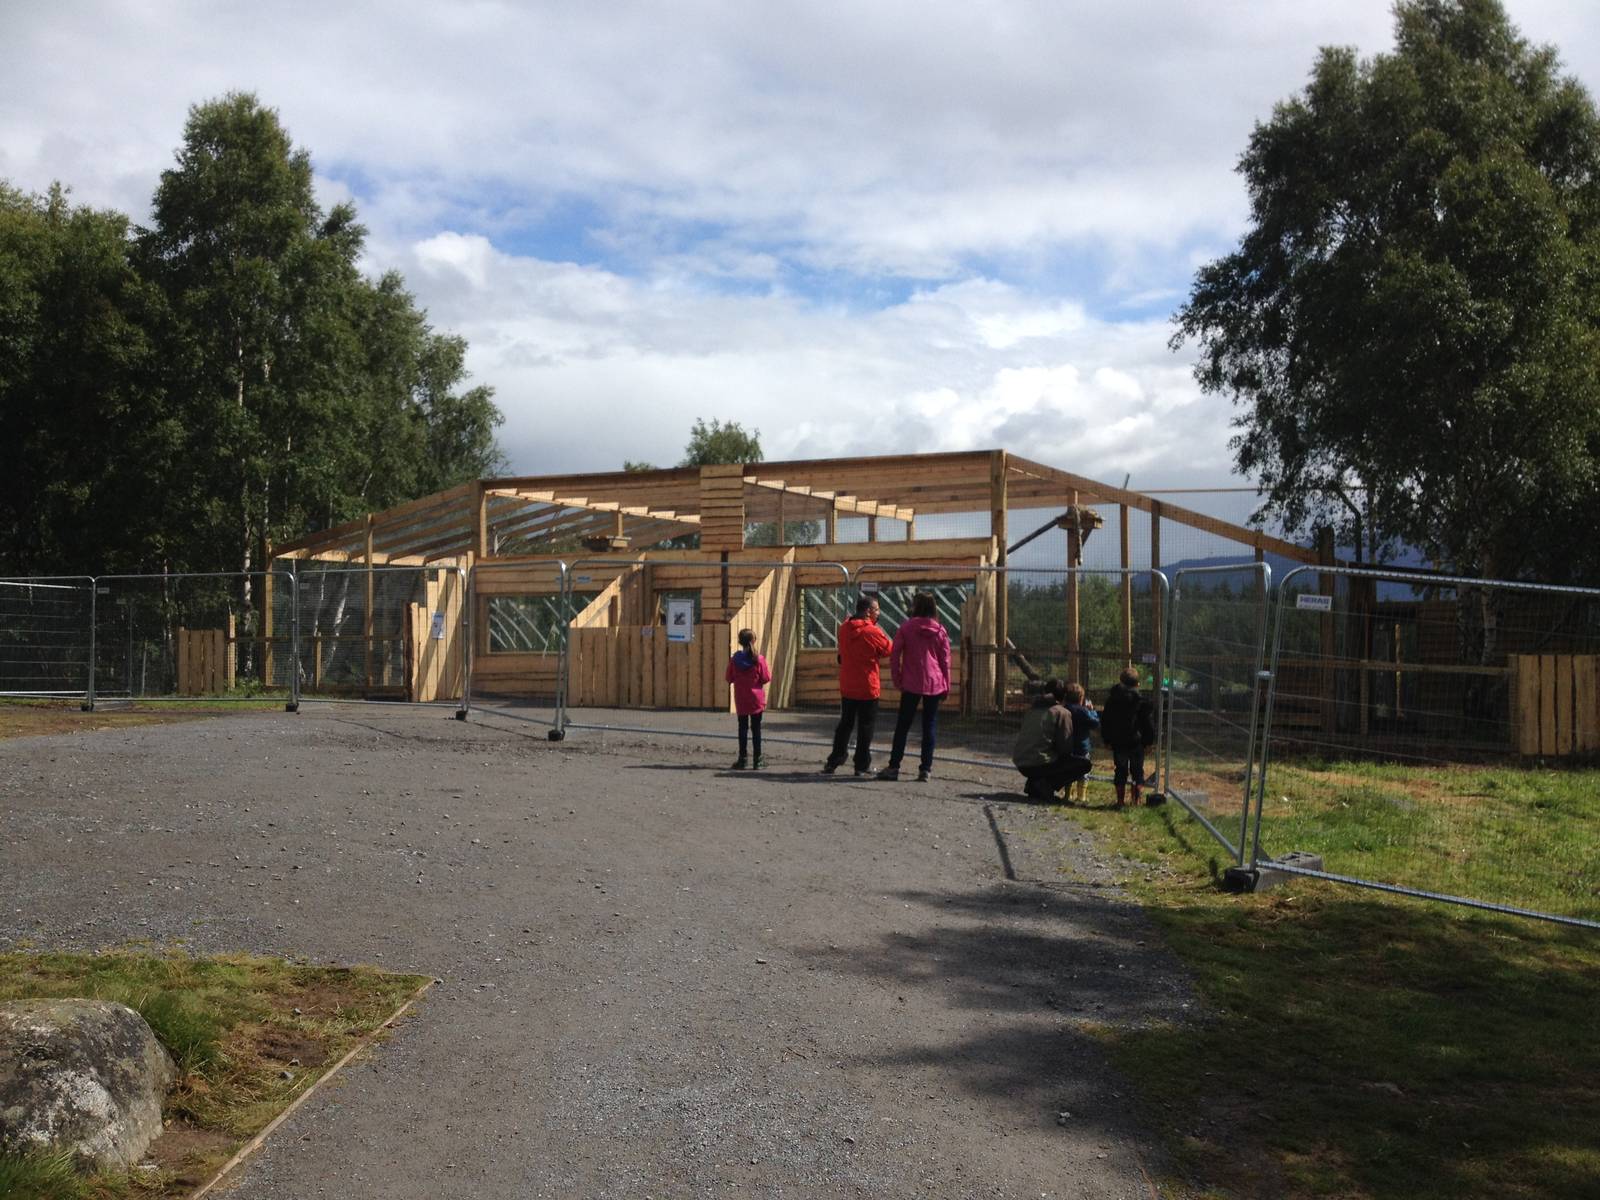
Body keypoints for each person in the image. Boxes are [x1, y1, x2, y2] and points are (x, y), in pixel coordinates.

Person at [878, 592, 951, 782]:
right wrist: (946, 685)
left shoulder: (906, 628)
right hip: (934, 683)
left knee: (903, 726)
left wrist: (897, 678)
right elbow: (945, 661)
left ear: (915, 606)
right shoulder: (940, 630)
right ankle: (925, 769)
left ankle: (894, 767)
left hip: (911, 682)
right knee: (929, 726)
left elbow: (895, 655)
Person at [823, 594, 893, 775]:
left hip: (848, 685)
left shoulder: (845, 627)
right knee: (865, 727)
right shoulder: (873, 632)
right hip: (867, 687)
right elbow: (887, 649)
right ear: (869, 612)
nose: (879, 613)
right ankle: (861, 765)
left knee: (845, 723)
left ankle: (835, 758)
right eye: (876, 609)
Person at [1011, 678, 1092, 801]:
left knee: (1045, 757)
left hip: (1020, 761)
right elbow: (1065, 747)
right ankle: (1045, 785)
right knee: (1084, 764)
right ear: (1064, 695)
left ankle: (1034, 782)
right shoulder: (1061, 712)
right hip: (1040, 763)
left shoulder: (1033, 709)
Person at [1101, 667, 1156, 805]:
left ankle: (1120, 801)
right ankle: (1136, 800)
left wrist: (1107, 739)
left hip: (1118, 742)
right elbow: (1148, 723)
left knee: (1120, 770)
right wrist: (1149, 742)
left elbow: (1106, 720)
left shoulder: (1112, 700)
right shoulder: (1142, 702)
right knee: (1137, 771)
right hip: (1136, 742)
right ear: (1138, 684)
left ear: (1120, 682)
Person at [725, 628, 772, 770]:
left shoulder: (735, 659)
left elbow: (729, 678)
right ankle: (758, 760)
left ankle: (742, 759)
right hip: (756, 699)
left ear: (739, 642)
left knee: (742, 728)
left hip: (741, 698)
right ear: (753, 641)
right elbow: (766, 678)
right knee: (756, 729)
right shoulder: (759, 659)